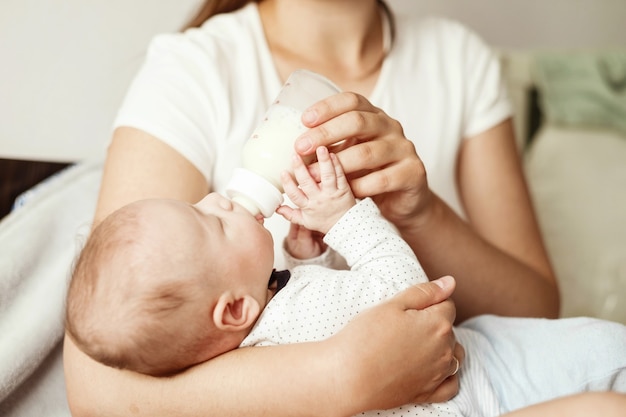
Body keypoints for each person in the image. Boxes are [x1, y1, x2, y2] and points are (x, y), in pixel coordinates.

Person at [63, 0, 562, 416]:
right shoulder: (194, 70)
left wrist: (419, 215)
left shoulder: (457, 59)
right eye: (207, 219)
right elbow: (98, 389)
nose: (216, 204)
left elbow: (538, 313)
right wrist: (346, 375)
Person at [65, 146, 626, 417]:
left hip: (478, 390)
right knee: (606, 354)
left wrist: (305, 253)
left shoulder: (268, 325)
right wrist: (346, 220)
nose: (215, 198)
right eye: (210, 221)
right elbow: (405, 303)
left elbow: (345, 310)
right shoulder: (298, 316)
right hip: (493, 378)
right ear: (234, 311)